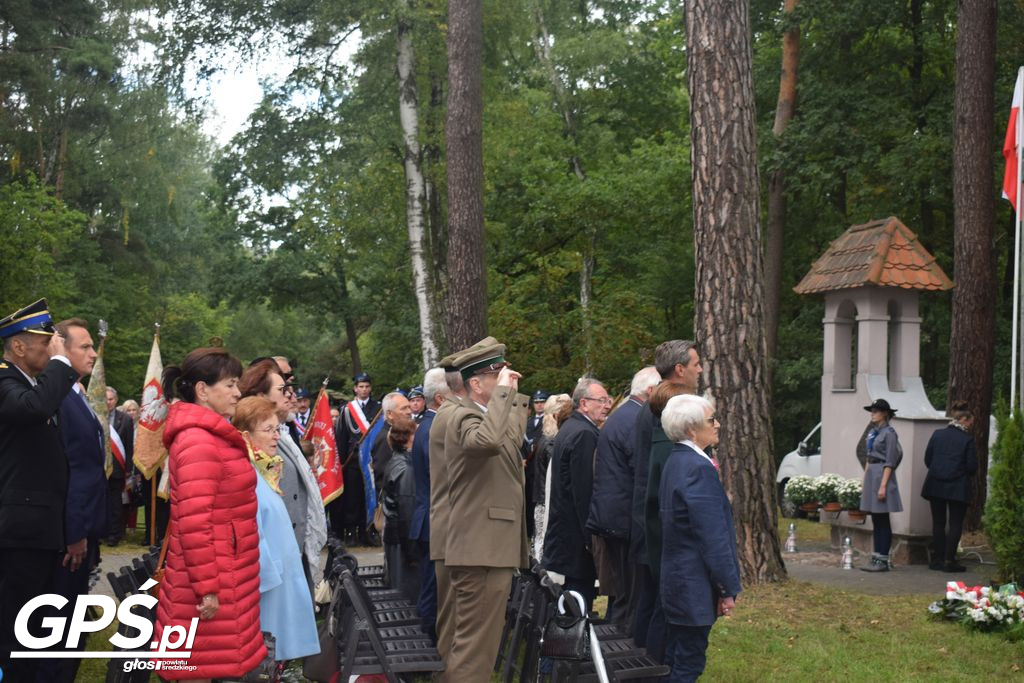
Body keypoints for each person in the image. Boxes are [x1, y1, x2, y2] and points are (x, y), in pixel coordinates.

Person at [156, 347, 266, 680]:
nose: (238, 392)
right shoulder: (198, 441)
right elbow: (193, 522)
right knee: (197, 670)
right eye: (230, 384)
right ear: (202, 390)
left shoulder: (211, 435)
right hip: (208, 584)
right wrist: (207, 588)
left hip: (225, 572)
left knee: (209, 667)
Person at [441, 338, 530, 682]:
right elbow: (487, 443)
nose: (507, 378)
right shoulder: (460, 416)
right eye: (499, 374)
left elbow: (509, 441)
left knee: (483, 645)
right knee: (474, 650)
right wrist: (505, 396)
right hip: (480, 551)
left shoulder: (482, 414)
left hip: (488, 548)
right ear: (476, 384)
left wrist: (511, 396)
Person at [0, 299, 76, 681]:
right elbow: (32, 408)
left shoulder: (27, 384)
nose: (52, 350)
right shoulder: (3, 381)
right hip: (18, 531)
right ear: (17, 346)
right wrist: (62, 364)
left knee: (30, 631)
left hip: (36, 528)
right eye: (46, 343)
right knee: (15, 632)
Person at [36, 318, 106, 682]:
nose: (93, 353)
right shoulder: (60, 397)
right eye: (85, 346)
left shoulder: (75, 393)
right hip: (69, 539)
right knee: (58, 628)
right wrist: (75, 532)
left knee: (73, 627)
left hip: (83, 531)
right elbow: (73, 471)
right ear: (61, 348)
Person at [659, 394, 740, 681]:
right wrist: (726, 587)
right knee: (687, 663)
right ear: (692, 429)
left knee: (676, 658)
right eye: (711, 420)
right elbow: (712, 537)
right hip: (692, 584)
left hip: (678, 580)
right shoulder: (698, 468)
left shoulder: (677, 460)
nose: (717, 424)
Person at [233, 396, 319, 663]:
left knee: (277, 656)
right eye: (268, 430)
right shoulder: (246, 474)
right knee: (265, 654)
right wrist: (268, 578)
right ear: (246, 435)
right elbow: (251, 534)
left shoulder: (264, 470)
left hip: (279, 581)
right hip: (267, 587)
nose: (276, 437)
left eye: (277, 429)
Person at [631, 340, 701, 646]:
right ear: (680, 369)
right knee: (660, 609)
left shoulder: (658, 404)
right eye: (696, 364)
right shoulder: (666, 407)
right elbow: (661, 474)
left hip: (651, 522)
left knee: (650, 606)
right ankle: (650, 670)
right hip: (657, 525)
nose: (700, 370)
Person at [240, 360, 327, 597]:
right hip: (279, 560)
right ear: (260, 396)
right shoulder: (256, 444)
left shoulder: (284, 433)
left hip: (294, 550)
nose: (291, 395)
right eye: (282, 389)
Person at [587, 365, 659, 627]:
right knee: (629, 597)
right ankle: (620, 655)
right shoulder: (636, 419)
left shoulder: (624, 414)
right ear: (651, 390)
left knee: (623, 595)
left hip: (614, 517)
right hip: (624, 520)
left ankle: (613, 652)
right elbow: (641, 470)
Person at [543, 378, 611, 611]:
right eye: (601, 400)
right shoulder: (584, 434)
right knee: (576, 606)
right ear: (584, 403)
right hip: (575, 538)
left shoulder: (573, 427)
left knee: (572, 601)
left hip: (567, 534)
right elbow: (584, 491)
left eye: (607, 400)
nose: (607, 405)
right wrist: (590, 539)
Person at [428, 359, 468, 670]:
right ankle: (448, 673)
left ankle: (447, 671)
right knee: (453, 617)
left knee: (451, 616)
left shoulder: (438, 420)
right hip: (450, 528)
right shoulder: (445, 421)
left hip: (445, 526)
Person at [410, 367, 449, 642]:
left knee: (433, 586)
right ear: (440, 400)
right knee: (433, 589)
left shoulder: (427, 425)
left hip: (430, 518)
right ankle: (427, 645)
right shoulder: (433, 429)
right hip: (434, 520)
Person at [922, 400, 978, 572]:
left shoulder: (937, 434)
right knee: (955, 524)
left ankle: (937, 559)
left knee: (938, 523)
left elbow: (927, 460)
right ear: (963, 419)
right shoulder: (967, 440)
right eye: (970, 422)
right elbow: (971, 467)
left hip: (936, 484)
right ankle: (949, 560)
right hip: (957, 487)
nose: (971, 426)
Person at [331, 371, 381, 545]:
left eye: (367, 386)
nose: (364, 390)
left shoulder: (378, 408)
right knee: (352, 497)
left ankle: (368, 530)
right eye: (361, 386)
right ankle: (351, 530)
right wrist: (341, 461)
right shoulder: (346, 410)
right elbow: (342, 437)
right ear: (355, 388)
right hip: (352, 461)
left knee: (370, 496)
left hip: (371, 461)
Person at [859, 398, 903, 572]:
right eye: (872, 410)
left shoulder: (889, 433)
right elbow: (869, 456)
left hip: (882, 475)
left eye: (876, 411)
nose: (872, 413)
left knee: (883, 518)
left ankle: (883, 559)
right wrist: (865, 480)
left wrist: (883, 485)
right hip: (872, 474)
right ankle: (876, 556)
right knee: (876, 518)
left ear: (885, 413)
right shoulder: (873, 432)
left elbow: (890, 461)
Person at [382, 416, 420, 600]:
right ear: (407, 438)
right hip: (401, 540)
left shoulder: (398, 461)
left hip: (396, 536)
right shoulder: (405, 468)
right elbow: (407, 512)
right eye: (415, 433)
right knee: (405, 593)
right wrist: (413, 553)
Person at [532, 393, 571, 561]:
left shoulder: (549, 439)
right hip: (546, 501)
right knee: (544, 546)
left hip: (544, 500)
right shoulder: (551, 442)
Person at [106, 386, 135, 546]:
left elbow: (129, 446)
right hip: (100, 468)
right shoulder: (96, 415)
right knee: (101, 501)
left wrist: (128, 469)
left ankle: (114, 534)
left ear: (115, 400)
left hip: (118, 468)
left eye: (110, 399)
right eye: (105, 399)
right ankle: (102, 531)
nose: (108, 402)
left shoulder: (125, 419)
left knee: (115, 503)